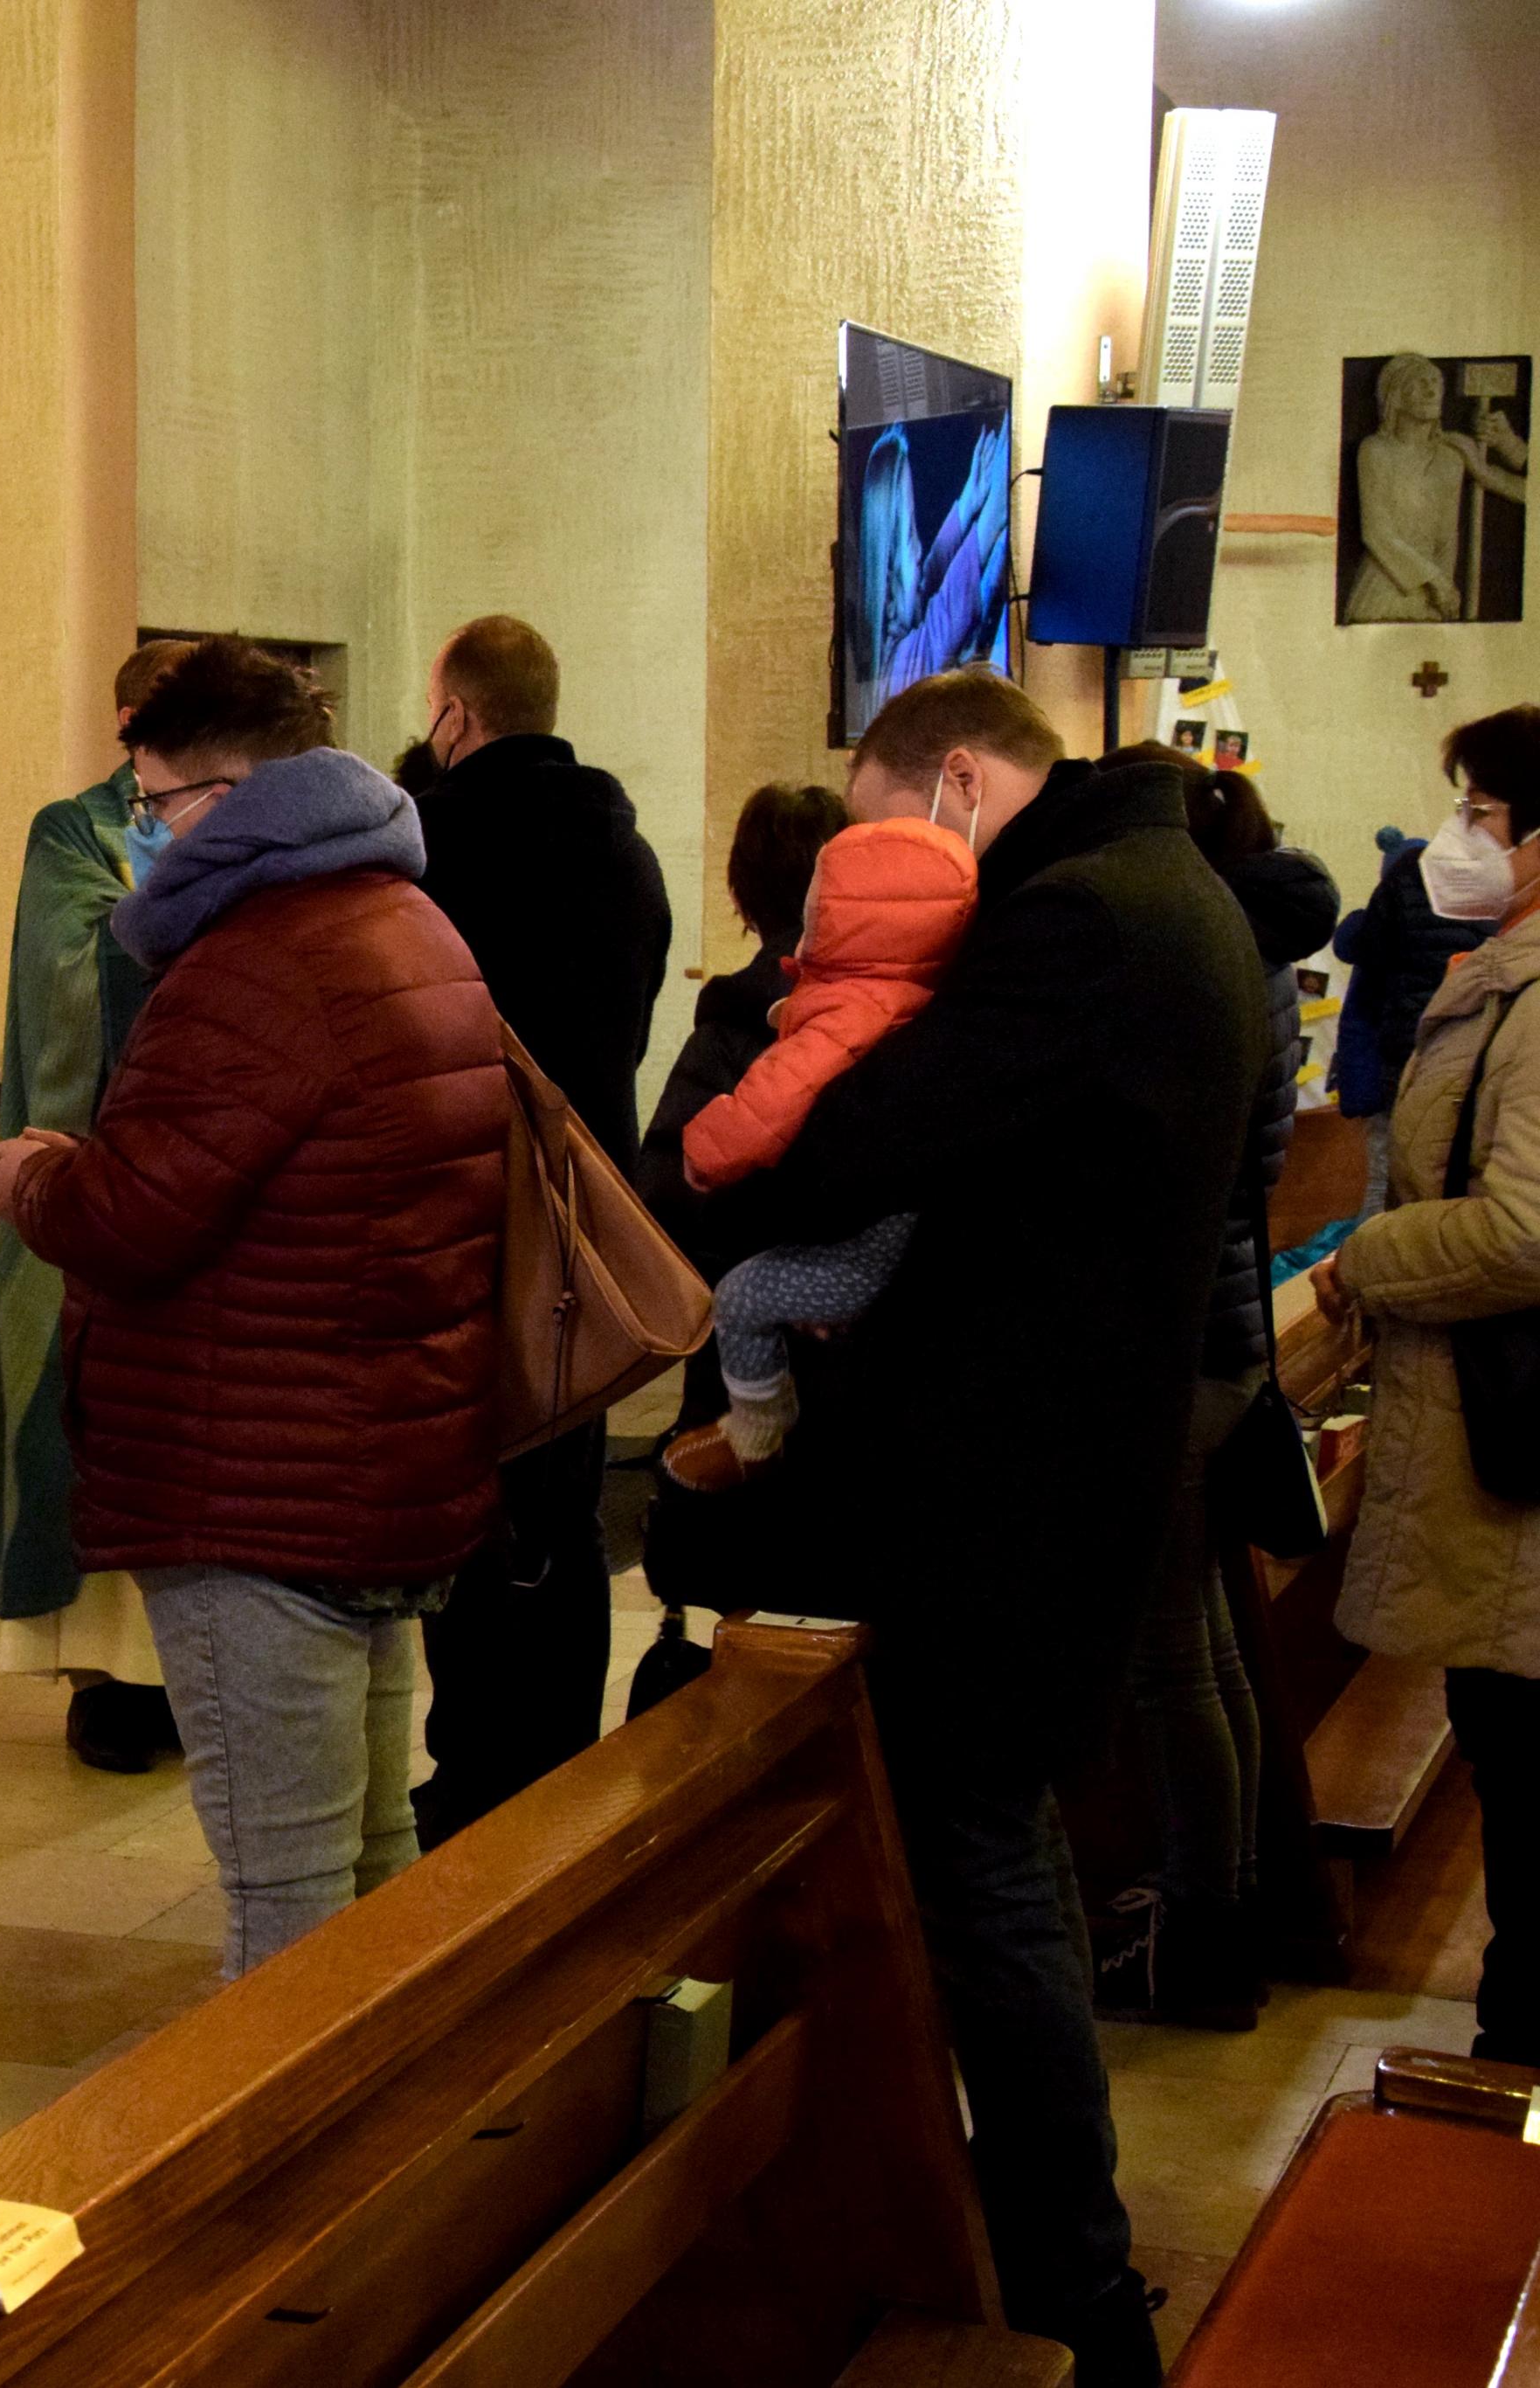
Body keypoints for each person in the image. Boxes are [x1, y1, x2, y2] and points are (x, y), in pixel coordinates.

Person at [690, 668, 1263, 2387]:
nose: (885, 874)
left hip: (1003, 1491)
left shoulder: (1077, 922)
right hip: (1061, 1472)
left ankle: (1073, 2295)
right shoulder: (1164, 888)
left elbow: (855, 1147)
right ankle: (1044, 2266)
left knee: (983, 1871)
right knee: (993, 1856)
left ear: (950, 779)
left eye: (879, 831)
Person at [0, 637, 510, 1978]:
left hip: (259, 1479)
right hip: (376, 1456)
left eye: (155, 804)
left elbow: (134, 1218)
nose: (148, 834)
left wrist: (37, 1178)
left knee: (286, 1906)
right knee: (373, 1854)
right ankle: (401, 2109)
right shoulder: (405, 917)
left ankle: (298, 2126)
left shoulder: (255, 962)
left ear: (224, 795)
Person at [406, 613, 673, 1843]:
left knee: (473, 1504)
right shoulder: (627, 852)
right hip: (588, 1214)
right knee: (566, 1498)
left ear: (457, 715)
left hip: (469, 1216)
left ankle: (476, 1778)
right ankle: (562, 1759)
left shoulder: (435, 848)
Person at [1092, 761, 1334, 2032]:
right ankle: (1222, 1904)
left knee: (1172, 1661)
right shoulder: (1261, 953)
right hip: (1228, 1332)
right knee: (1209, 1647)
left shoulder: (1210, 954)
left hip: (1185, 1341)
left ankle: (1205, 1933)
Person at [1317, 704, 1540, 2074]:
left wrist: (1369, 1258)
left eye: (1482, 813)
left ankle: (1517, 2070)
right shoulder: (1507, 976)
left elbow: (1524, 1228)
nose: (1457, 836)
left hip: (1519, 1442)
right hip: (1499, 1443)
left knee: (1525, 1750)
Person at [0, 637, 197, 1775]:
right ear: (123, 721)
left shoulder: (236, 820)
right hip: (96, 1156)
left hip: (194, 1174)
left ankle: (188, 1671)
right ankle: (108, 1678)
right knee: (82, 1415)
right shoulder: (75, 830)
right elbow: (69, 968)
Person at [656, 813, 979, 1491]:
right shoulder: (934, 1000)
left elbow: (771, 1101)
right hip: (906, 1285)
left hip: (857, 1258)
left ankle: (755, 1432)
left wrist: (706, 1150)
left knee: (743, 1296)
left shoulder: (838, 1015)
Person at [638, 781, 851, 1425]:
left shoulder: (727, 1034)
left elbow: (666, 1201)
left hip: (736, 1379)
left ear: (741, 894)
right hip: (875, 1374)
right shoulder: (909, 1015)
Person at [1335, 821, 1486, 1215]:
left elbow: (1351, 957)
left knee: (1385, 1179)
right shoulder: (1479, 908)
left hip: (1398, 1068)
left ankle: (1371, 1250)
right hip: (1466, 1069)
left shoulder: (1388, 922)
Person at [1347, 352, 1530, 624]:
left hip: (1433, 599)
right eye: (1420, 383)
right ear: (1395, 395)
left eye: (1436, 382)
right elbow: (1377, 533)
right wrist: (1436, 580)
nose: (1432, 391)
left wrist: (1444, 593)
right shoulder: (1375, 451)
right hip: (1385, 585)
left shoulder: (1450, 456)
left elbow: (1446, 537)